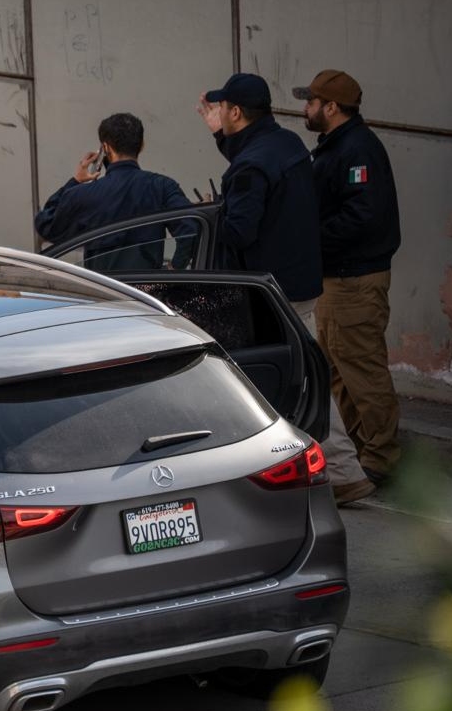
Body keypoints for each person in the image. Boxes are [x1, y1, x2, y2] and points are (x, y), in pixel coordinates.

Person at [199, 72, 374, 504]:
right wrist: (222, 137)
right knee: (304, 375)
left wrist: (213, 215)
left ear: (235, 111)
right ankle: (339, 471)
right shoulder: (287, 144)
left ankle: (316, 472)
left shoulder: (251, 165)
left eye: (222, 108)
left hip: (268, 291)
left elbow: (240, 230)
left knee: (262, 381)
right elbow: (254, 166)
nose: (218, 113)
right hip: (299, 282)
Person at [294, 69, 402, 486]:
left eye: (311, 102)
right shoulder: (337, 146)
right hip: (337, 277)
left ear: (331, 107)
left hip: (353, 280)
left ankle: (381, 458)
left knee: (361, 369)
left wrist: (310, 238)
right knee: (338, 369)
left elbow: (362, 216)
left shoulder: (357, 150)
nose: (306, 109)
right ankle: (360, 450)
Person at [35, 113, 196, 271]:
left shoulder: (83, 194)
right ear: (142, 145)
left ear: (105, 148)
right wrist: (175, 267)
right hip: (147, 286)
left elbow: (45, 224)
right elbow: (191, 228)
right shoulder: (162, 186)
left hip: (103, 287)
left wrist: (75, 180)